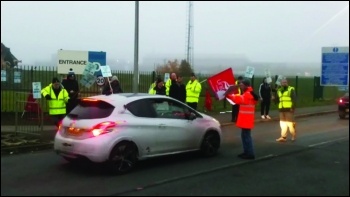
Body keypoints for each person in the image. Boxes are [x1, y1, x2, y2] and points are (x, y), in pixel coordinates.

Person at [225, 78, 258, 160]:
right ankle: (247, 152)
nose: (240, 86)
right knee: (245, 136)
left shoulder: (247, 94)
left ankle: (250, 153)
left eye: (242, 85)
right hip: (247, 119)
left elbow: (238, 99)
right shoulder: (249, 93)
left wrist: (228, 95)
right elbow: (239, 97)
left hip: (246, 119)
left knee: (246, 137)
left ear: (246, 85)